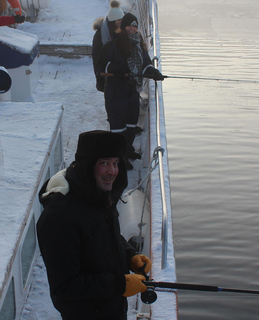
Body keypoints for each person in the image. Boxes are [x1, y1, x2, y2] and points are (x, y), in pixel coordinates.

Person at [36, 130, 152, 320]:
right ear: (87, 166)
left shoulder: (98, 195)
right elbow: (65, 285)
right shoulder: (59, 216)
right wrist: (119, 284)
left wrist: (130, 255)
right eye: (104, 163)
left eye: (115, 163)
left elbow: (106, 235)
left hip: (112, 308)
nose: (112, 171)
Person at [100, 13, 164, 166]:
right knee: (118, 127)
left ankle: (127, 150)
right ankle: (118, 158)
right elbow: (101, 66)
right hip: (116, 92)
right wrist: (118, 70)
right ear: (123, 27)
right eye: (130, 25)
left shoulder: (139, 45)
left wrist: (152, 72)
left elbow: (145, 64)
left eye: (135, 26)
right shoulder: (112, 45)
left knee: (130, 125)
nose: (133, 29)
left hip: (132, 91)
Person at [92, 0, 124, 92]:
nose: (120, 23)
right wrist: (100, 78)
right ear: (112, 21)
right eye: (118, 20)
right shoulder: (100, 36)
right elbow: (96, 58)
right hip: (106, 75)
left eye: (122, 20)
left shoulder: (122, 32)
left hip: (119, 75)